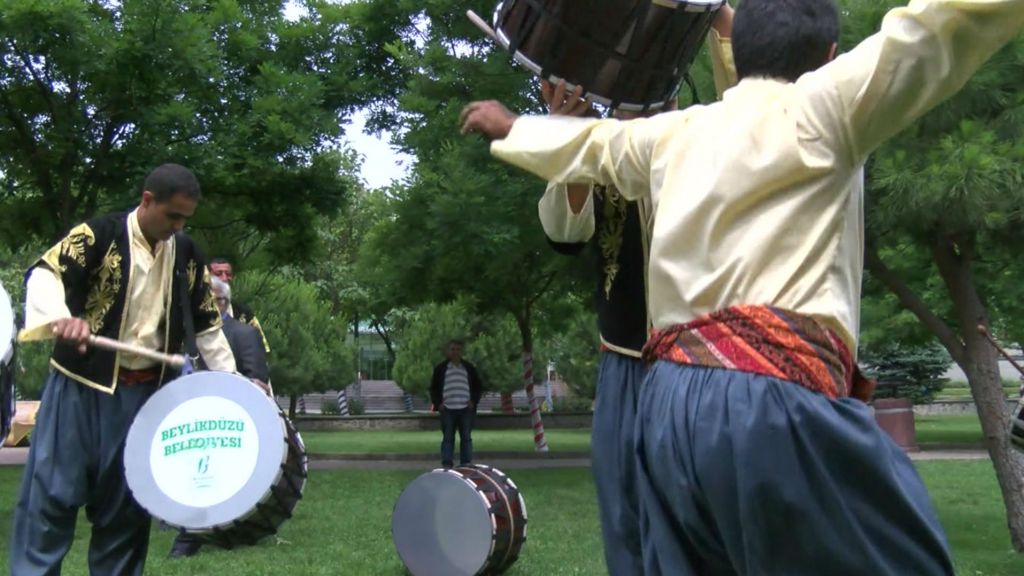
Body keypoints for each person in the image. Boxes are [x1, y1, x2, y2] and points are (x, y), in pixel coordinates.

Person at [462, 0, 1024, 571]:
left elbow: (594, 146)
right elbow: (934, 30)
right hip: (769, 400)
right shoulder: (827, 105)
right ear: (828, 58)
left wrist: (515, 126)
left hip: (666, 408)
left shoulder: (677, 133)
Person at [537, 9, 736, 575]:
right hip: (626, 367)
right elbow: (563, 232)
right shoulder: (601, 155)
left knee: (707, 511)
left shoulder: (709, 138)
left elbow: (759, 107)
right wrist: (568, 136)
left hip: (706, 365)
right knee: (625, 515)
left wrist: (720, 21)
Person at [10, 164, 238, 576]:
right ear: (147, 200)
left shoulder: (185, 254)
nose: (178, 226)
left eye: (185, 218)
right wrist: (62, 318)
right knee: (51, 499)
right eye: (173, 216)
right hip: (79, 389)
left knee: (126, 512)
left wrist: (234, 390)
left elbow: (207, 328)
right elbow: (46, 273)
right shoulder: (98, 234)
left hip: (145, 400)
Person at [168, 274, 270, 558]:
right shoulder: (181, 334)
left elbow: (256, 380)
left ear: (222, 302)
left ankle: (188, 539)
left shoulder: (245, 333)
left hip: (226, 425)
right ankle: (184, 524)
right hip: (186, 421)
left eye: (206, 300)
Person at [429, 339, 483, 468]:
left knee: (466, 437)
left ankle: (466, 463)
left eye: (458, 349)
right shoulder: (441, 369)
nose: (455, 352)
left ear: (461, 351)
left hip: (465, 409)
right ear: (448, 351)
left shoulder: (469, 368)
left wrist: (473, 402)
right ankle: (447, 463)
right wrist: (438, 404)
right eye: (452, 349)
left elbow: (478, 387)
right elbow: (433, 388)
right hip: (447, 408)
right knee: (448, 437)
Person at [209, 257, 270, 353]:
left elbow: (262, 347)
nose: (224, 278)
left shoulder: (244, 313)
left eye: (228, 274)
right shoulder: (198, 311)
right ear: (207, 278)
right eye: (218, 274)